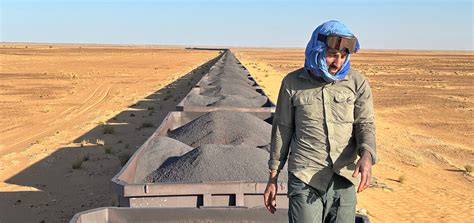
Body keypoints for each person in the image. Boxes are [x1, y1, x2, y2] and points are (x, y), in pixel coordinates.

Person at [263, 20, 377, 223]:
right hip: (305, 176)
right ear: (317, 50)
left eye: (343, 56)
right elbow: (282, 129)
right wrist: (273, 177)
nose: (338, 63)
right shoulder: (292, 83)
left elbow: (364, 124)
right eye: (332, 55)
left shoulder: (357, 82)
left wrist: (367, 154)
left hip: (343, 177)